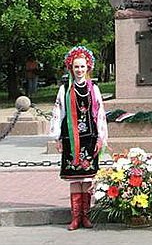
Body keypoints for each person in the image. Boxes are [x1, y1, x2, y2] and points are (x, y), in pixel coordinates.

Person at [49, 45, 108, 231]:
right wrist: (57, 137)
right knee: (75, 178)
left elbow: (100, 114)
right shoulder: (65, 89)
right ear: (71, 68)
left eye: (82, 67)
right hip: (71, 139)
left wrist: (101, 137)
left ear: (88, 67)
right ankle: (76, 217)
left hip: (89, 138)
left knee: (88, 178)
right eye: (76, 67)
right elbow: (58, 112)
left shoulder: (94, 89)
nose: (80, 70)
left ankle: (86, 216)